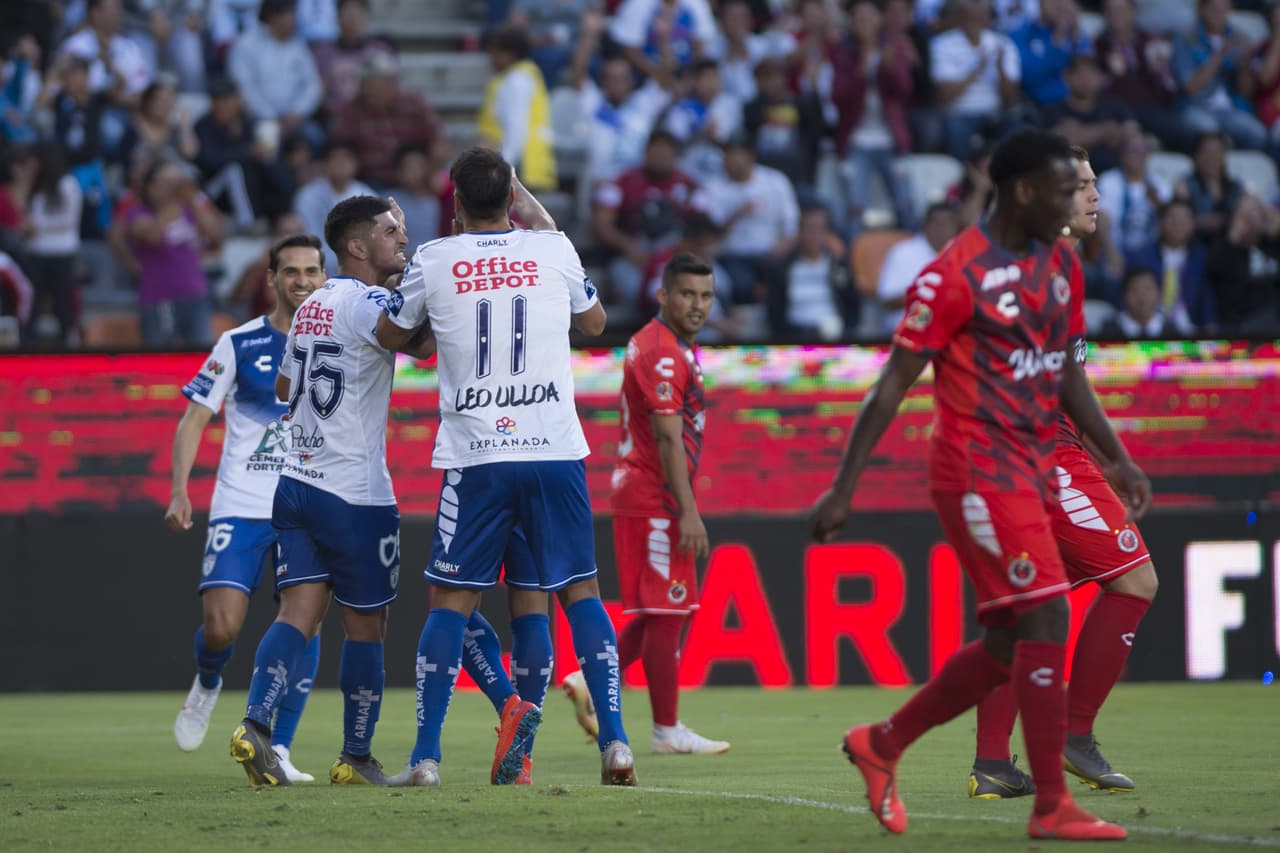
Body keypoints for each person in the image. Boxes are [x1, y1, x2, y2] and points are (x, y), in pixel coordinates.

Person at [807, 129, 1147, 841]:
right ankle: (1052, 801)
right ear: (1022, 191)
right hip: (973, 469)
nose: (1076, 200)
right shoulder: (950, 276)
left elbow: (1064, 372)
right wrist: (844, 487)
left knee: (1004, 642)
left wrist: (1115, 455)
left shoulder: (1060, 265)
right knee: (1047, 614)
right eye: (1063, 187)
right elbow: (891, 385)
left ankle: (883, 743)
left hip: (1031, 468)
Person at [374, 146, 636, 788]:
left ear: (455, 201)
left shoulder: (434, 258)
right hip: (553, 451)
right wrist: (529, 205)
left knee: (451, 604)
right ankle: (617, 745)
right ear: (512, 195)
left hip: (478, 458)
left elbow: (388, 337)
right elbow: (596, 324)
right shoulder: (554, 249)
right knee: (577, 594)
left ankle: (427, 759)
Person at [967, 146, 1160, 800]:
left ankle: (992, 761)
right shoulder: (1039, 267)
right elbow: (1056, 381)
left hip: (1024, 456)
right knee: (1136, 578)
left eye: (1096, 185)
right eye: (1081, 186)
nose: (1095, 198)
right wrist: (1114, 457)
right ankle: (1074, 733)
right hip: (1042, 459)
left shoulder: (1051, 265)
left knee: (1022, 612)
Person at [228, 196, 411, 787]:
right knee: (367, 625)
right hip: (353, 490)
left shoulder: (309, 307)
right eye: (389, 232)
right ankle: (355, 757)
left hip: (296, 479)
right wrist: (425, 286)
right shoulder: (370, 302)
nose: (400, 239)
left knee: (298, 612)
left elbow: (284, 385)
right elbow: (422, 344)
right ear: (357, 246)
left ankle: (256, 726)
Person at [167, 233, 326, 783]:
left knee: (304, 623)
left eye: (312, 271)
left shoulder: (338, 341)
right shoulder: (237, 343)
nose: (302, 281)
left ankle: (278, 748)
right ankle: (208, 681)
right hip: (241, 503)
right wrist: (180, 490)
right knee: (221, 628)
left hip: (308, 505)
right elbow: (194, 420)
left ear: (324, 278)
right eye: (292, 272)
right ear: (272, 278)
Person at [570, 252, 731, 755]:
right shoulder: (664, 352)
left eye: (706, 296)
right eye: (687, 294)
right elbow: (666, 436)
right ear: (663, 295)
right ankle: (666, 728)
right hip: (654, 494)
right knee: (667, 608)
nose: (698, 305)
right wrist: (687, 510)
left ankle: (586, 679)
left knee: (660, 610)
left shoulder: (669, 345)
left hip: (647, 491)